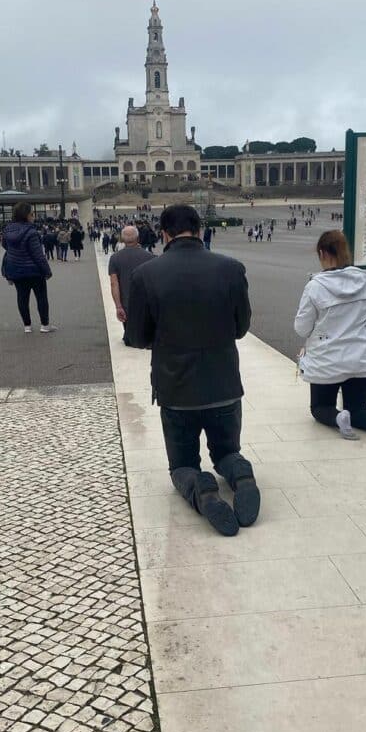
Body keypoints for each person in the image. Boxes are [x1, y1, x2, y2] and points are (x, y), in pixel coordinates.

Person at [127, 204, 260, 536]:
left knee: (183, 464)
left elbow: (138, 337)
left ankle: (201, 490)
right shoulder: (231, 269)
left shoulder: (145, 274)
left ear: (164, 234)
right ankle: (241, 475)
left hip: (176, 388)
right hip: (224, 383)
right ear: (200, 230)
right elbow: (241, 327)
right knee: (228, 451)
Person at [294, 230, 366, 446]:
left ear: (322, 253)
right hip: (361, 357)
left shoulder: (315, 286)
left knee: (320, 408)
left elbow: (301, 328)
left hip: (327, 360)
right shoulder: (365, 281)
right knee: (358, 410)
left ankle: (338, 418)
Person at [2, 201, 55, 333]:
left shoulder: (7, 230)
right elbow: (38, 255)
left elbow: (5, 246)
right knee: (41, 297)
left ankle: (27, 326)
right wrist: (47, 271)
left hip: (16, 270)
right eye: (32, 214)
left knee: (22, 298)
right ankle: (44, 325)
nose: (33, 216)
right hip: (34, 271)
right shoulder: (31, 232)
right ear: (26, 215)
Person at [108, 226, 154, 344]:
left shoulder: (114, 258)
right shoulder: (150, 257)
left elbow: (114, 284)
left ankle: (130, 338)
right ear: (138, 238)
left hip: (126, 303)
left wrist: (118, 306)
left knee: (130, 336)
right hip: (146, 303)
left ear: (122, 239)